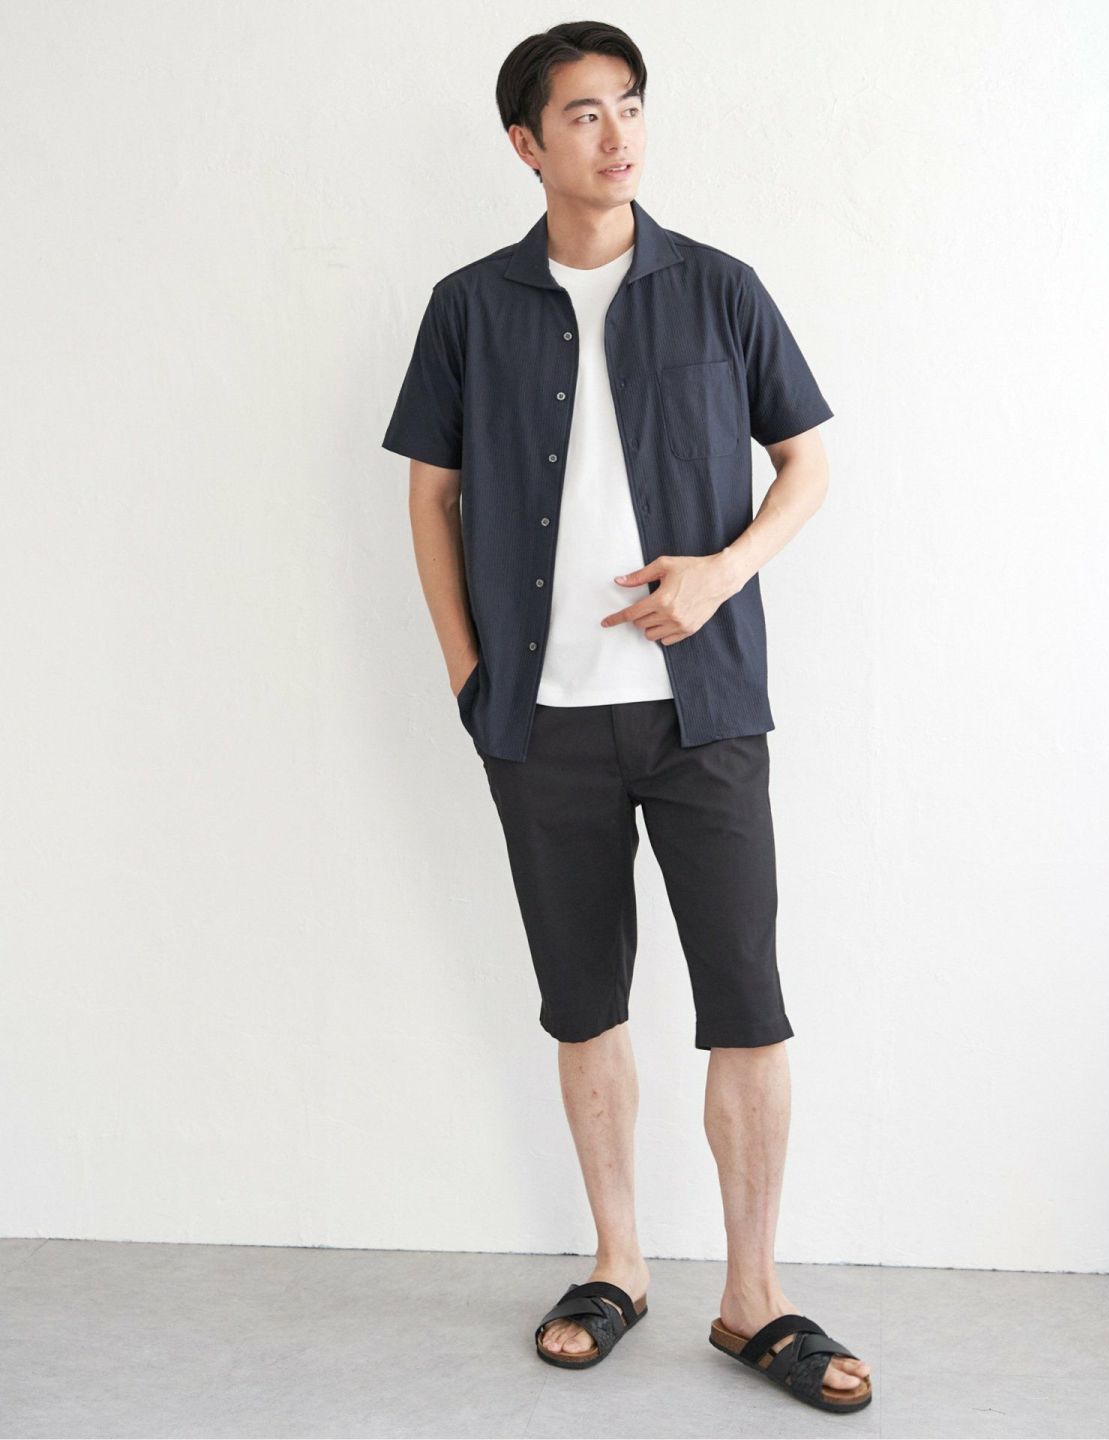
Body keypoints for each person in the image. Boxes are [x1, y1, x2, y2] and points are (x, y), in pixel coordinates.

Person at [381, 20, 872, 1416]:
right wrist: (470, 675)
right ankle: (617, 1265)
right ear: (527, 145)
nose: (618, 134)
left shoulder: (720, 288)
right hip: (541, 725)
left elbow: (806, 464)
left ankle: (753, 1295)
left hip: (703, 714)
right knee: (584, 1003)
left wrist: (719, 574)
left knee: (748, 1011)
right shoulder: (469, 307)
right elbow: (430, 492)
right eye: (585, 114)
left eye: (631, 107)